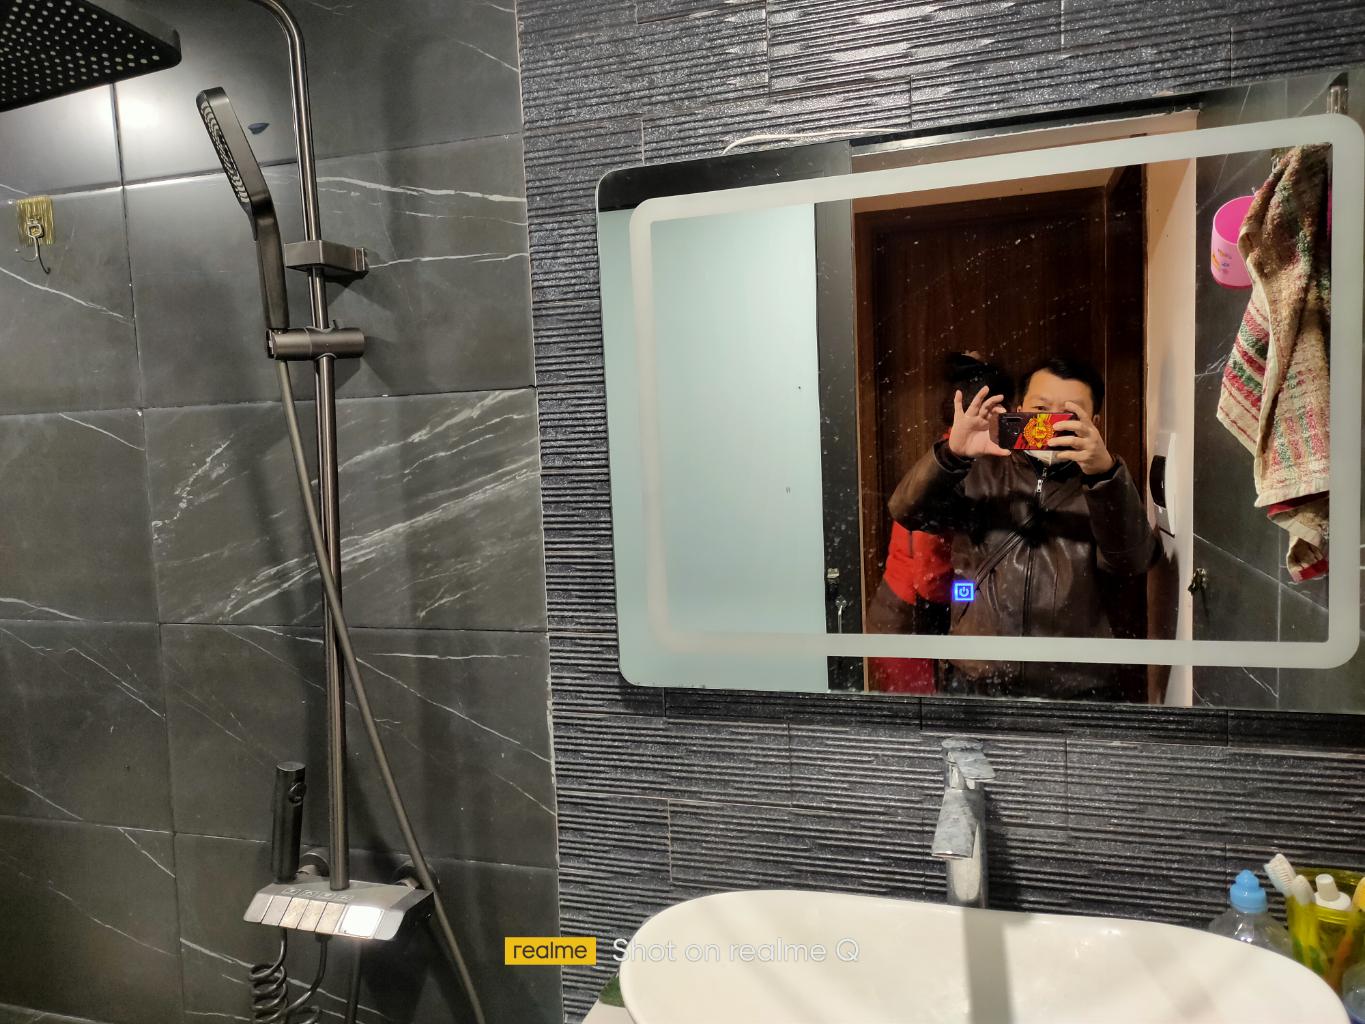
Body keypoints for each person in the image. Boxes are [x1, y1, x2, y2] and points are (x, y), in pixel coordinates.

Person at [887, 356, 1158, 699]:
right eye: (1040, 409)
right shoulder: (981, 471)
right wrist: (952, 454)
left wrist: (1103, 474)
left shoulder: (1106, 488)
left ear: (1095, 423)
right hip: (978, 680)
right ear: (1019, 411)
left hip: (1075, 688)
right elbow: (907, 511)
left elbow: (1131, 562)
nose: (1051, 424)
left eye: (1069, 414)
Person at [866, 354, 1013, 693]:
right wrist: (970, 598)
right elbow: (930, 578)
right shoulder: (953, 462)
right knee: (919, 716)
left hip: (905, 614)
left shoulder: (954, 451)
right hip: (907, 621)